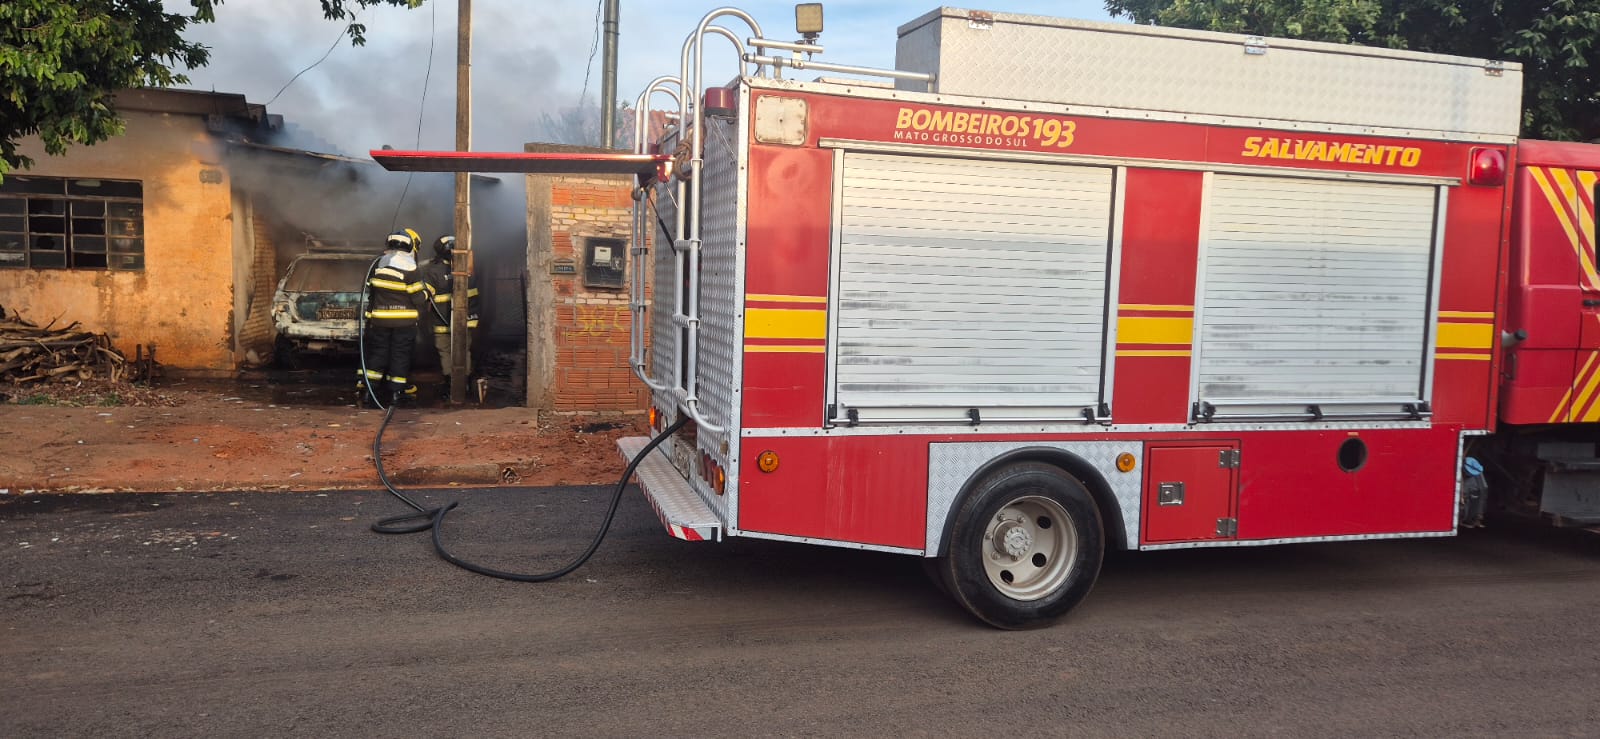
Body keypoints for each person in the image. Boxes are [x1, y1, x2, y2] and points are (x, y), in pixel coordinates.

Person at [358, 229, 426, 406]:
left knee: (378, 354)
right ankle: (396, 393)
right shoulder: (411, 268)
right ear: (409, 246)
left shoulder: (378, 264)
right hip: (404, 322)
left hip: (379, 319)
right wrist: (427, 294)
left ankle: (369, 392)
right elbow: (418, 297)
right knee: (400, 355)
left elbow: (369, 291)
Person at [420, 234, 479, 395]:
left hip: (441, 320)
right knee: (464, 350)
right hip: (465, 320)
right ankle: (465, 383)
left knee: (445, 351)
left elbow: (425, 294)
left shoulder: (433, 271)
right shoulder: (467, 268)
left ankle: (449, 382)